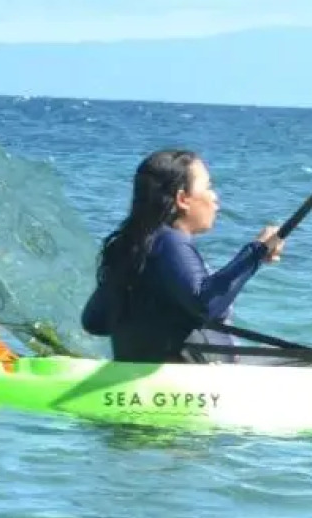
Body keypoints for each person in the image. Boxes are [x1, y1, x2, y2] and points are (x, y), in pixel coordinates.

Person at [80, 148, 289, 364]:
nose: (215, 197)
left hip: (139, 369)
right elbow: (205, 304)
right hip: (192, 377)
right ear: (182, 198)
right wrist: (256, 252)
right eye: (208, 187)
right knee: (308, 365)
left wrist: (158, 313)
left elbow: (95, 321)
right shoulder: (169, 241)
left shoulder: (131, 246)